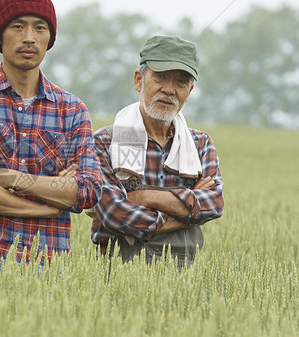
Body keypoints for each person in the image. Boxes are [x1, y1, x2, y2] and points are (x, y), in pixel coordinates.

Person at [0, 0, 102, 261]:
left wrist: (8, 177)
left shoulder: (73, 110)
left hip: (48, 265)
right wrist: (48, 205)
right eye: (18, 26)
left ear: (50, 38)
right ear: (0, 37)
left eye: (40, 28)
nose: (29, 38)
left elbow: (87, 191)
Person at [89, 35, 224, 268]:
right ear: (139, 80)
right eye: (160, 77)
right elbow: (114, 214)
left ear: (189, 91)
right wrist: (188, 214)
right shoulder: (105, 142)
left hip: (186, 274)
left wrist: (144, 197)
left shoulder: (200, 143)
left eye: (180, 82)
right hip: (118, 271)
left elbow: (214, 204)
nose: (169, 90)